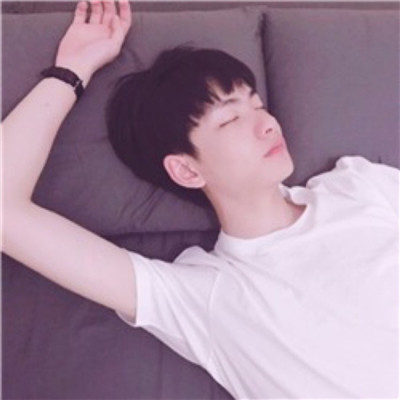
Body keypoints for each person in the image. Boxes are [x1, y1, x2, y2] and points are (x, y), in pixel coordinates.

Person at [2, 0, 398, 398]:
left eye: (257, 105)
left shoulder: (357, 187)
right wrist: (70, 72)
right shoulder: (205, 295)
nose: (267, 124)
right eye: (231, 119)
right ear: (187, 170)